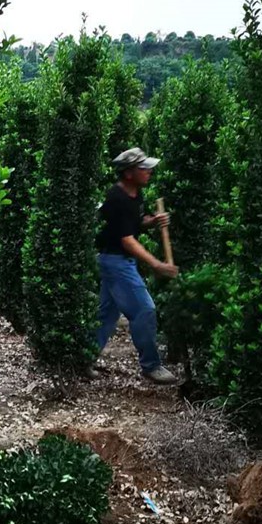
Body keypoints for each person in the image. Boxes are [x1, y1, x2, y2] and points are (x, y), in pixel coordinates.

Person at [95, 147, 180, 385]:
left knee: (106, 315)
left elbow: (135, 224)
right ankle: (151, 366)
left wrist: (153, 221)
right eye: (144, 168)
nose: (149, 172)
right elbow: (127, 240)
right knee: (144, 309)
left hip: (118, 260)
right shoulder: (116, 198)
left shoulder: (135, 195)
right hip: (116, 262)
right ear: (129, 173)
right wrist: (157, 264)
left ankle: (84, 359)